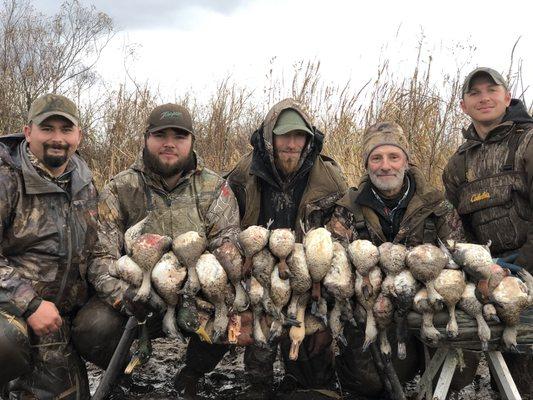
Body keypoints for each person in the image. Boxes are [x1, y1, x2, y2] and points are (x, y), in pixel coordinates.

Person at [71, 103, 241, 398]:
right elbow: (100, 259)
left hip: (194, 296)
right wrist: (124, 298)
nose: (169, 144)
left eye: (179, 136)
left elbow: (228, 246)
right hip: (137, 296)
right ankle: (124, 373)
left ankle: (192, 373)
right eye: (161, 135)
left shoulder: (216, 188)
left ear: (191, 142)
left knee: (229, 311)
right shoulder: (121, 188)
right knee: (91, 327)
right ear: (146, 138)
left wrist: (201, 295)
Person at [326, 121, 472, 398]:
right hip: (373, 306)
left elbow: (459, 254)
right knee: (366, 381)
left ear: (406, 161)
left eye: (394, 157)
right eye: (376, 158)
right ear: (367, 165)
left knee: (455, 375)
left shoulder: (437, 207)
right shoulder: (348, 208)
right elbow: (336, 263)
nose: (385, 166)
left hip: (431, 304)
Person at [226, 98, 348, 399]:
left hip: (308, 279)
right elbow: (226, 229)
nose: (291, 143)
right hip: (256, 274)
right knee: (258, 359)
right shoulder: (243, 174)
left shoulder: (330, 178)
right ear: (270, 135)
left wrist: (325, 313)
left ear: (309, 138)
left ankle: (306, 374)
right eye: (284, 135)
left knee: (312, 370)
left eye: (299, 135)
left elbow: (339, 247)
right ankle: (258, 381)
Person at [442, 67, 533, 398]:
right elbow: (457, 229)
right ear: (463, 105)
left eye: (491, 90)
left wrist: (519, 267)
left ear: (507, 97)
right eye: (474, 93)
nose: (484, 98)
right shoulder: (457, 165)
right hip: (490, 277)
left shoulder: (528, 143)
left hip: (526, 269)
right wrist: (479, 271)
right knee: (511, 375)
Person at [0, 94, 96, 399]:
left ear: (78, 135)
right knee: (4, 341)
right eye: (47, 128)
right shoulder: (6, 178)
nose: (58, 139)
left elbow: (96, 249)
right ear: (28, 132)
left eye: (66, 130)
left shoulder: (85, 182)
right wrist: (30, 304)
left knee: (107, 325)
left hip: (57, 323)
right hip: (13, 311)